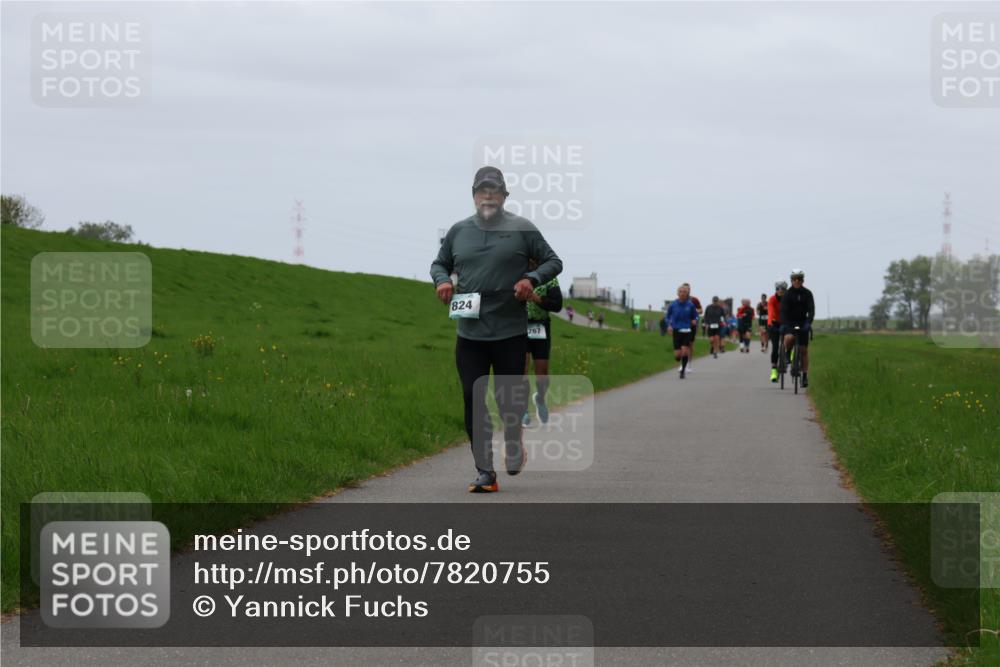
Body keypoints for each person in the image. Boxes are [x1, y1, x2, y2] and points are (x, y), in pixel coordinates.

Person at [431, 166, 562, 493]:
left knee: (509, 403)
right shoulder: (459, 231)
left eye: (494, 191)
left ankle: (515, 441)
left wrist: (530, 279)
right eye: (481, 190)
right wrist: (443, 281)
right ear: (474, 196)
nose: (487, 196)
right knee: (471, 398)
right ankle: (485, 471)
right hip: (470, 334)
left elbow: (553, 261)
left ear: (504, 196)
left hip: (510, 333)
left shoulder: (523, 229)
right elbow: (439, 264)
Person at [522, 261, 563, 427]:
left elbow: (557, 305)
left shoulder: (549, 278)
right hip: (520, 326)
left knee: (542, 372)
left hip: (540, 325)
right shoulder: (516, 273)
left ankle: (540, 398)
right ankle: (523, 409)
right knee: (521, 369)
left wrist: (537, 298)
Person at [779, 269, 815, 388]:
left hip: (802, 321)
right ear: (791, 280)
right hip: (790, 321)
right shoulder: (787, 294)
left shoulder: (807, 293)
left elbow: (811, 310)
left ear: (802, 280)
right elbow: (783, 311)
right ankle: (788, 353)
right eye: (794, 279)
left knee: (804, 350)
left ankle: (804, 376)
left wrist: (808, 322)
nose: (797, 281)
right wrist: (784, 323)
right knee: (789, 338)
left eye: (799, 279)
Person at [665, 284, 699, 378]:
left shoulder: (690, 305)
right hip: (676, 330)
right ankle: (679, 360)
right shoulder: (673, 305)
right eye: (680, 292)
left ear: (687, 293)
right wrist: (669, 326)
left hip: (687, 330)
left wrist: (694, 320)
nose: (682, 293)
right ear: (677, 293)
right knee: (677, 355)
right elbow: (667, 317)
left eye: (684, 292)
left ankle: (683, 371)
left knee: (684, 351)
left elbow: (696, 315)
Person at [768, 281, 786, 382]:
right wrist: (770, 323)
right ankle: (774, 370)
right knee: (775, 347)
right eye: (778, 289)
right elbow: (770, 311)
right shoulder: (772, 299)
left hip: (786, 322)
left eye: (782, 289)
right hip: (774, 323)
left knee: (789, 340)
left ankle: (790, 355)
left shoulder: (788, 298)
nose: (780, 291)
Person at [683, 283, 703, 371]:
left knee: (690, 344)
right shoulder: (678, 300)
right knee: (682, 345)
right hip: (681, 324)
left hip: (692, 324)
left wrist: (694, 310)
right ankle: (683, 363)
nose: (686, 291)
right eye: (684, 289)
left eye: (687, 289)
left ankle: (689, 364)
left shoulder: (694, 300)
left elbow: (701, 310)